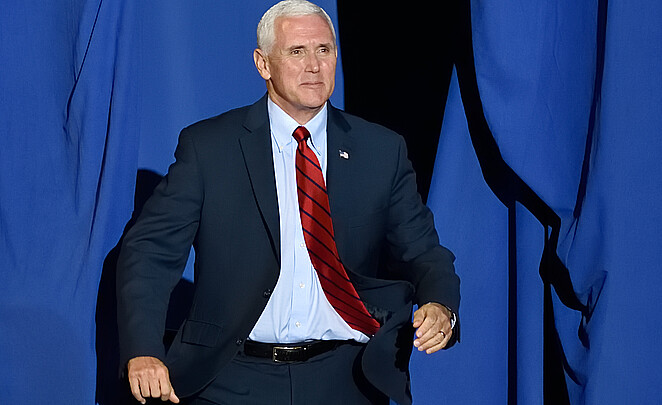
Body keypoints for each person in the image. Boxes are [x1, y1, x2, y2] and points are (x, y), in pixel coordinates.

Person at [116, 1, 460, 404]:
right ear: (263, 64)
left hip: (347, 377)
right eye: (297, 52)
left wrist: (441, 305)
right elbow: (150, 253)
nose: (314, 65)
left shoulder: (381, 150)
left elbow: (423, 251)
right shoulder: (209, 148)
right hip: (232, 378)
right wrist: (143, 349)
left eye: (324, 50)